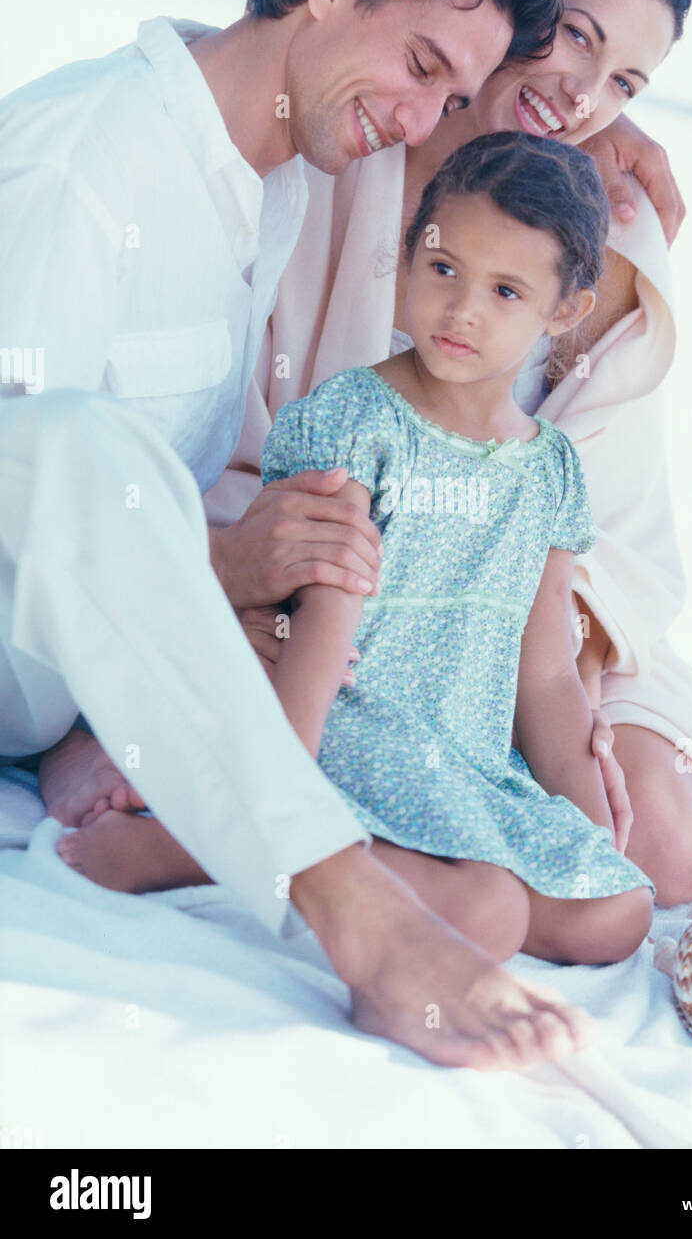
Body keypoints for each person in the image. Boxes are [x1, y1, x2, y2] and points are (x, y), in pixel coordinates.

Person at [0, 0, 598, 1071]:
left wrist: (619, 143)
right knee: (66, 437)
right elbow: (29, 483)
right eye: (424, 66)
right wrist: (220, 564)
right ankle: (357, 911)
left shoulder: (262, 181)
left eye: (454, 97)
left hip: (59, 677)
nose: (423, 120)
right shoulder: (86, 156)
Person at [205, 0, 692, 907]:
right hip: (353, 595)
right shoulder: (364, 129)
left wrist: (550, 664)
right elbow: (249, 437)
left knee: (661, 851)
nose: (587, 95)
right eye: (575, 37)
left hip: (539, 625)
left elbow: (617, 537)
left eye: (626, 82)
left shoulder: (607, 244)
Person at [58, 131, 657, 968]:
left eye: (506, 290)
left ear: (563, 313)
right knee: (485, 911)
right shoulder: (357, 420)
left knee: (618, 913)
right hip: (346, 741)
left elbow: (548, 672)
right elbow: (321, 622)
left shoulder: (548, 469)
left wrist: (589, 838)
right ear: (408, 251)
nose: (462, 310)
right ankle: (207, 848)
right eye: (443, 268)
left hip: (461, 762)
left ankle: (368, 876)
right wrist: (275, 801)